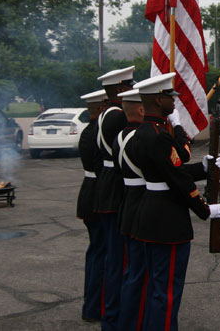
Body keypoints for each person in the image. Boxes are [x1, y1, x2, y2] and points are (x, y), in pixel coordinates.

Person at [130, 73, 220, 330]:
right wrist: (204, 209)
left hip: (150, 213)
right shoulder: (159, 136)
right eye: (170, 98)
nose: (174, 102)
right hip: (167, 220)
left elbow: (170, 171)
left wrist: (203, 168)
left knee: (156, 287)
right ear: (159, 100)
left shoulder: (143, 132)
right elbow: (177, 179)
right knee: (167, 291)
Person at [93, 65, 134, 330]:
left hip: (106, 183)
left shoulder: (106, 111)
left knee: (113, 257)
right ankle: (114, 314)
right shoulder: (118, 115)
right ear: (120, 90)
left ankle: (111, 311)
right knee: (118, 259)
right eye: (129, 87)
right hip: (116, 185)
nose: (133, 92)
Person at [115, 88, 146, 331]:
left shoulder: (121, 136)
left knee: (132, 273)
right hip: (141, 207)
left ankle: (127, 322)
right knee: (138, 274)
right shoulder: (140, 137)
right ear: (141, 109)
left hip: (128, 204)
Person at [76, 88, 107, 323]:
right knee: (101, 254)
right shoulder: (98, 131)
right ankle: (96, 306)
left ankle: (93, 305)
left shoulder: (90, 129)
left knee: (96, 252)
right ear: (101, 108)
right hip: (99, 195)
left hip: (90, 192)